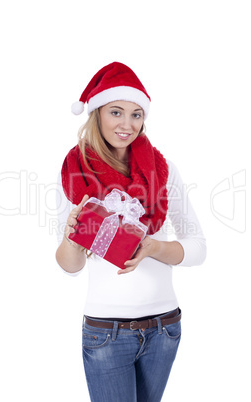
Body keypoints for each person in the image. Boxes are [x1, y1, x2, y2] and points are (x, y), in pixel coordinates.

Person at [56, 62, 206, 402]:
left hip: (165, 328)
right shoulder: (74, 171)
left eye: (136, 114)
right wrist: (70, 234)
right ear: (96, 113)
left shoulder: (163, 169)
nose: (127, 124)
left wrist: (153, 248)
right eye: (116, 112)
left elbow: (197, 248)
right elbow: (70, 266)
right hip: (106, 332)